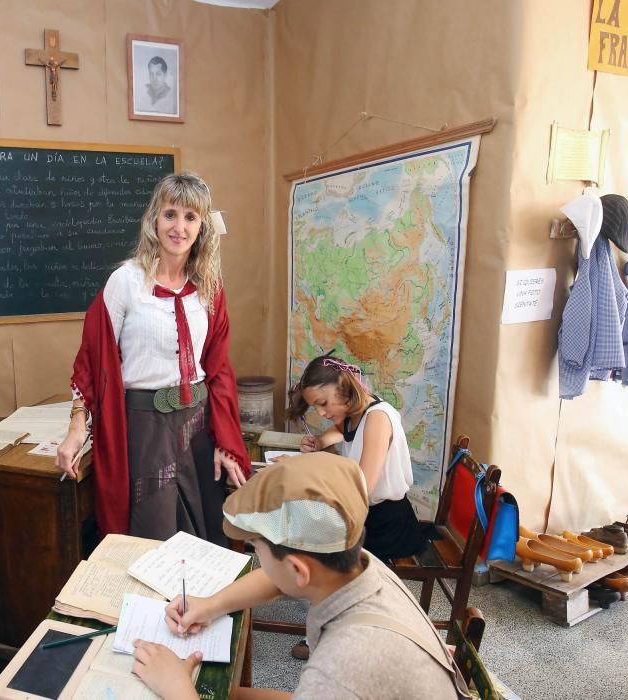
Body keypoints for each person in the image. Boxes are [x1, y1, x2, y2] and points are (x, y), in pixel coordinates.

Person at [130, 453, 468, 699]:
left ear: (297, 569)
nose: (258, 559)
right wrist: (212, 604)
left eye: (256, 549)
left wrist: (177, 690)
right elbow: (278, 580)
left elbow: (334, 682)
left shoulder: (339, 669)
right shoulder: (357, 562)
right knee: (229, 695)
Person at [56, 171, 249, 546]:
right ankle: (153, 606)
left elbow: (219, 369)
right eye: (170, 214)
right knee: (152, 530)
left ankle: (202, 605)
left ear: (202, 227)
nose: (179, 227)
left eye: (190, 217)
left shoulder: (210, 288)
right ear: (154, 221)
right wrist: (77, 426)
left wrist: (226, 439)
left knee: (205, 530)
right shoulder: (125, 282)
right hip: (145, 429)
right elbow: (91, 362)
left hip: (197, 423)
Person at [287, 354, 429, 562]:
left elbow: (364, 486)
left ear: (344, 386)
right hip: (365, 516)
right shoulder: (353, 414)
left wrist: (305, 470)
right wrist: (320, 442)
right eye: (315, 408)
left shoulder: (377, 418)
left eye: (323, 403)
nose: (321, 413)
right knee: (304, 532)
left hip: (385, 525)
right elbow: (342, 431)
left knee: (311, 545)